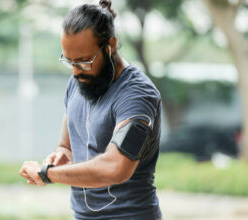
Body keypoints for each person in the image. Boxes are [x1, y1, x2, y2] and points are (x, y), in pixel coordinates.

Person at [19, 0, 163, 219]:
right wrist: (60, 157)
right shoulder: (78, 83)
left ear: (110, 46)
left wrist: (48, 174)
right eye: (70, 62)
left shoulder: (137, 95)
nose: (76, 72)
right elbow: (66, 145)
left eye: (85, 61)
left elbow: (116, 167)